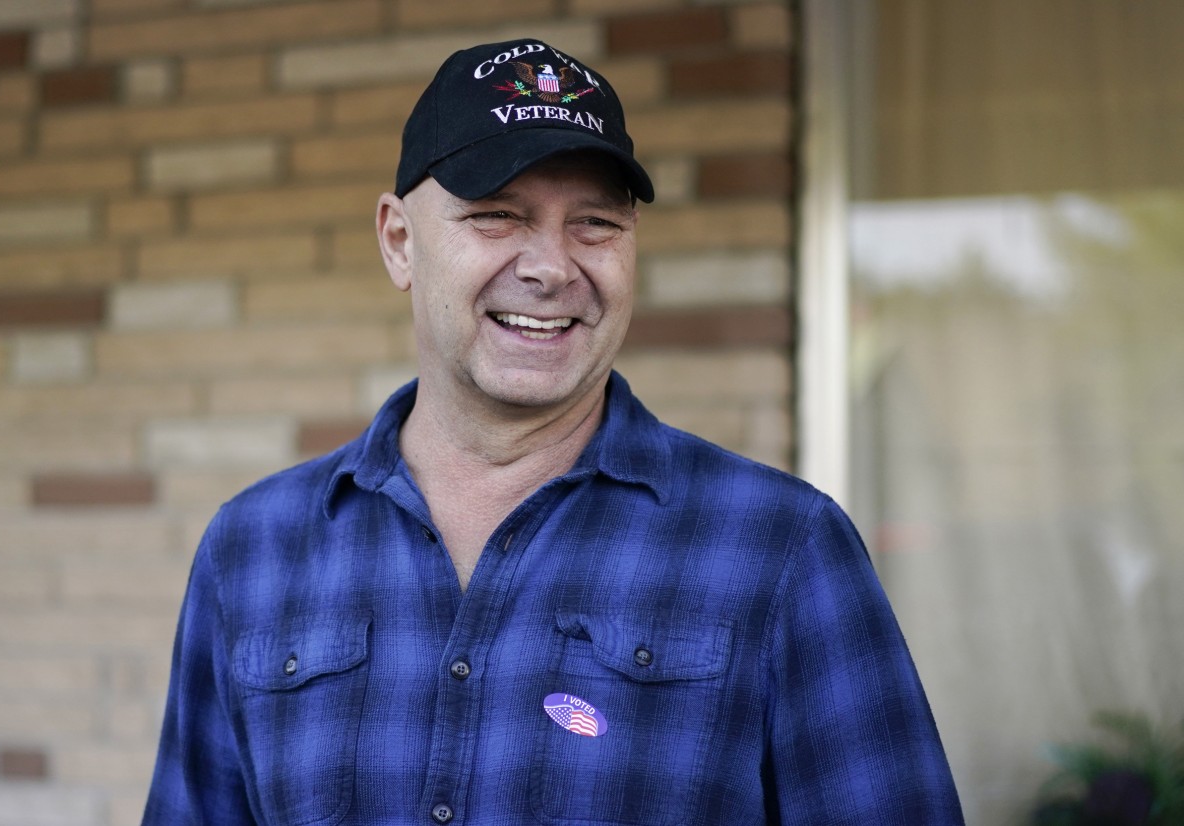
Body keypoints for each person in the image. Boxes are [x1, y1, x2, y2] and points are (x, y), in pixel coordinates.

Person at [142, 38, 964, 826]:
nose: (552, 267)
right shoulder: (252, 550)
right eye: (498, 216)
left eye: (596, 225)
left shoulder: (781, 547)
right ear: (400, 243)